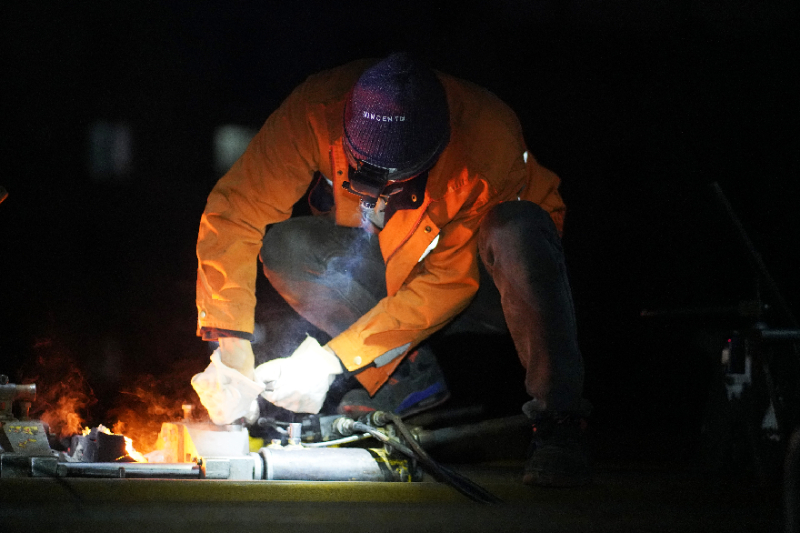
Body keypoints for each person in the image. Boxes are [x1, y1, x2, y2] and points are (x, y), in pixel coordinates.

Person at [190, 52, 590, 486]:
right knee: (287, 246)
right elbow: (234, 214)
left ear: (433, 155)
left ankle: (559, 423)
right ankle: (403, 376)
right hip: (399, 261)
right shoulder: (314, 110)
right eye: (361, 176)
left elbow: (448, 283)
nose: (372, 198)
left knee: (517, 228)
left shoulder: (486, 141)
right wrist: (232, 347)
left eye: (391, 184)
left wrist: (332, 358)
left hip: (495, 284)